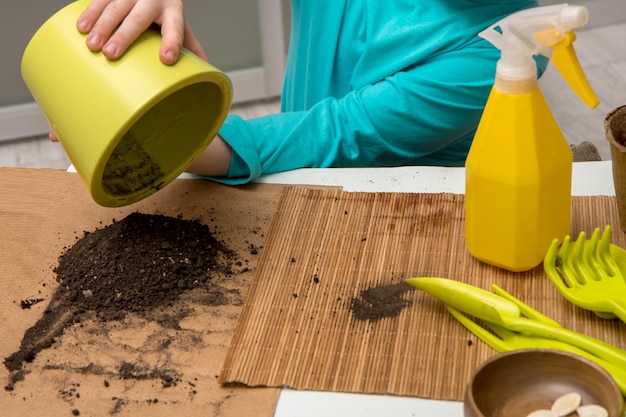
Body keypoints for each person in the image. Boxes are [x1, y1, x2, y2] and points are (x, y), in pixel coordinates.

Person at [59, 0, 543, 184]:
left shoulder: (504, 45)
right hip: (302, 173)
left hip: (409, 209)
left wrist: (166, 140)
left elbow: (333, 134)